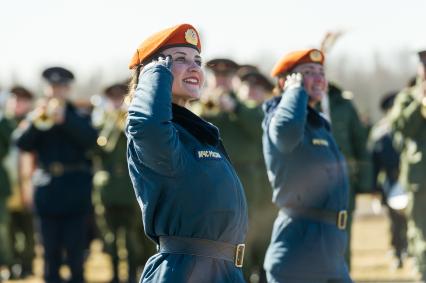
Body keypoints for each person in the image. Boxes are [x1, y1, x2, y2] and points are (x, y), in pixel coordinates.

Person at [125, 23, 248, 283]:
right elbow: (148, 123)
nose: (194, 68)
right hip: (185, 270)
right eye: (179, 59)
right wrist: (156, 72)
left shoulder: (197, 132)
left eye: (197, 61)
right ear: (151, 72)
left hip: (223, 270)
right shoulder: (159, 134)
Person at [262, 48, 352, 282]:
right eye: (308, 72)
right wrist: (294, 92)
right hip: (299, 251)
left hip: (330, 249)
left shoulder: (318, 123)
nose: (319, 78)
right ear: (285, 82)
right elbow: (286, 134)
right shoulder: (277, 115)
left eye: (321, 72)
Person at [15, 67, 97, 283]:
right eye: (52, 87)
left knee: (75, 252)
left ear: (68, 89)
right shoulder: (37, 115)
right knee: (49, 252)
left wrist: (66, 120)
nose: (56, 91)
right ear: (46, 89)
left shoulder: (79, 115)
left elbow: (91, 140)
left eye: (60, 87)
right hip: (47, 191)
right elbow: (21, 143)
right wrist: (36, 120)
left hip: (75, 192)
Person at [92, 83, 154, 283]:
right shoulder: (102, 123)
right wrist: (112, 122)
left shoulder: (136, 122)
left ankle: (132, 275)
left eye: (121, 98)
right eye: (113, 98)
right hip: (108, 189)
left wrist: (126, 120)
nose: (117, 102)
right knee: (110, 237)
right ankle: (115, 275)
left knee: (133, 237)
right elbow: (100, 149)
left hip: (130, 188)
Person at [325, 83, 372, 268]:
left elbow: (360, 144)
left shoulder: (344, 105)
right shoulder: (297, 103)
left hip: (343, 182)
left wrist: (365, 184)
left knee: (342, 234)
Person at [389, 49, 426, 280]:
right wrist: (420, 103)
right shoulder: (408, 96)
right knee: (422, 234)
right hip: (419, 180)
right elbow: (400, 127)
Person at [368, 91, 407, 269]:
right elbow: (374, 163)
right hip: (391, 182)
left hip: (410, 180)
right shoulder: (381, 133)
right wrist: (374, 189)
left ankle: (410, 251)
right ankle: (398, 251)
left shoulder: (409, 127)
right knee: (395, 222)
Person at [3, 86, 36, 278]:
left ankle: (27, 263)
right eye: (14, 99)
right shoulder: (3, 123)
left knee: (28, 228)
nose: (17, 104)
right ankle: (11, 263)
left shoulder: (32, 122)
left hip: (28, 184)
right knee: (9, 228)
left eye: (22, 100)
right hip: (8, 184)